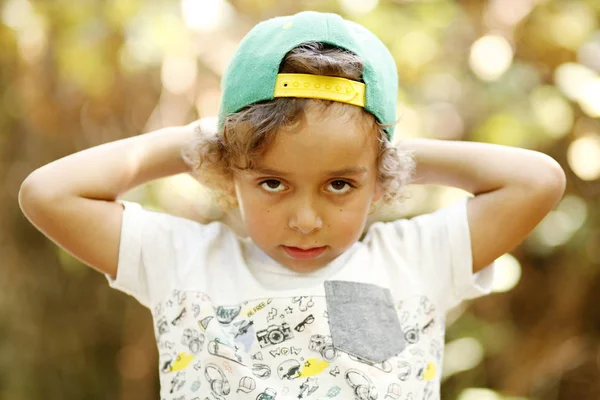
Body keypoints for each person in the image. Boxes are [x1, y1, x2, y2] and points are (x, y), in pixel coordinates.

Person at [18, 10, 565, 400]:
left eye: (339, 185)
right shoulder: (180, 260)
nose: (306, 220)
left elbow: (537, 180)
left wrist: (377, 149)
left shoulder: (416, 257)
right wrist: (203, 140)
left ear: (380, 181)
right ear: (229, 174)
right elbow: (47, 193)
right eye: (274, 183)